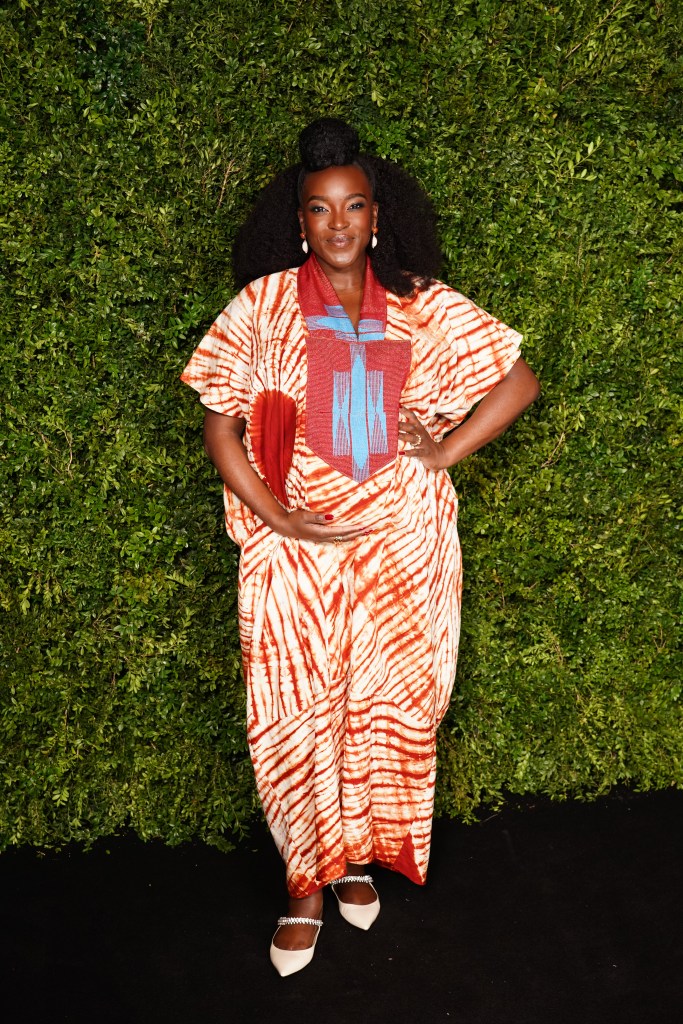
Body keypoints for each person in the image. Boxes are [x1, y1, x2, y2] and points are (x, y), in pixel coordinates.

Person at [181, 118, 540, 976]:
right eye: (319, 208)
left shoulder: (423, 303)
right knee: (293, 712)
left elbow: (517, 382)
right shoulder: (261, 307)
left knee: (385, 706)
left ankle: (352, 863)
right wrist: (278, 518)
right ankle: (304, 886)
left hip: (403, 546)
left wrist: (443, 452)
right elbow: (220, 430)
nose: (337, 223)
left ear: (377, 216)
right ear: (298, 221)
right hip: (295, 551)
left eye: (352, 206)